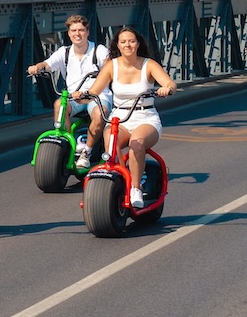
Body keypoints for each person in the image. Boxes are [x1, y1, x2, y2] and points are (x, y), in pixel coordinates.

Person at [77, 27, 175, 209]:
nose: (127, 45)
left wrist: (166, 88)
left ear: (138, 44)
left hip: (145, 116)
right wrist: (82, 96)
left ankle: (136, 188)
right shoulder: (111, 66)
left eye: (131, 41)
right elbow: (94, 91)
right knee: (110, 141)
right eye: (123, 42)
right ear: (118, 45)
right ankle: (122, 180)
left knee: (137, 144)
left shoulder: (149, 64)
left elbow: (170, 83)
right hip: (120, 117)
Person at [26, 13, 111, 171]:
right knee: (59, 104)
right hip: (74, 97)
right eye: (73, 31)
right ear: (69, 33)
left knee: (100, 115)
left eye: (80, 30)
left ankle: (86, 152)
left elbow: (108, 64)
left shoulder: (98, 50)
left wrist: (105, 70)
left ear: (87, 32)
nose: (77, 34)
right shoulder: (64, 52)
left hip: (97, 97)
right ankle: (66, 143)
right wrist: (37, 67)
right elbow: (47, 64)